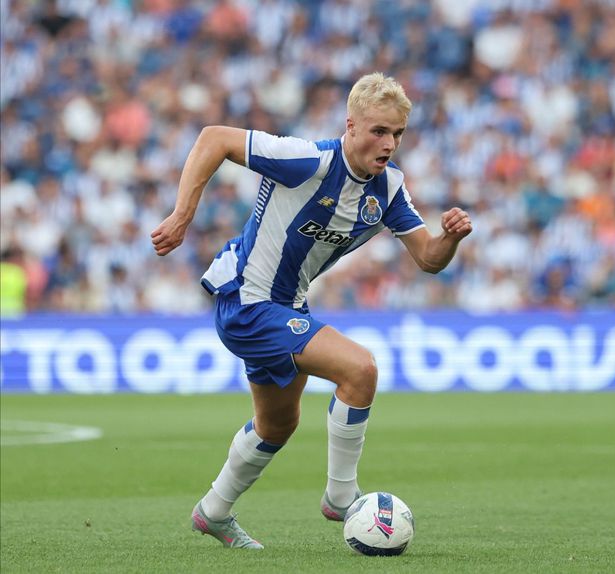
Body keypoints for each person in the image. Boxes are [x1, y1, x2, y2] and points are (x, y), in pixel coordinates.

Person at [150, 72, 472, 548]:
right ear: (351, 126)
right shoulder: (308, 161)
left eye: (398, 133)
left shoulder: (387, 190)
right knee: (360, 369)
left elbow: (427, 258)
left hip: (285, 306)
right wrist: (182, 215)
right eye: (379, 131)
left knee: (278, 424)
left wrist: (450, 238)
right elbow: (214, 138)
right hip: (248, 300)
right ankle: (341, 498)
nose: (389, 144)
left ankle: (213, 512)